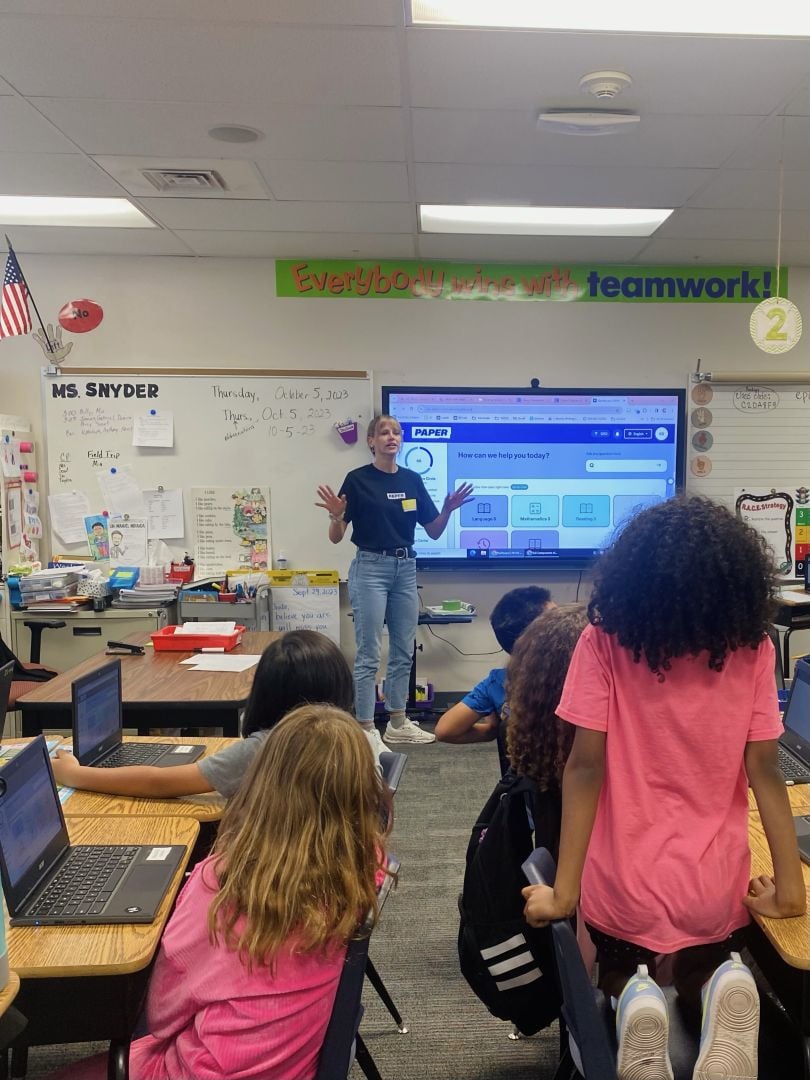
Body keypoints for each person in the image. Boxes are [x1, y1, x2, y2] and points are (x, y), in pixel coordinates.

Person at [521, 496, 806, 1080]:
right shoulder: (752, 648)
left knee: (621, 969)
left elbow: (583, 768)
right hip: (712, 880)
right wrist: (791, 890)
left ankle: (634, 999)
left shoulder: (603, 641)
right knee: (707, 964)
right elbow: (765, 771)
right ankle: (719, 984)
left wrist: (564, 894)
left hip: (623, 878)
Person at [51, 705, 390, 1080]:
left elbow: (160, 1014)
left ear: (262, 779)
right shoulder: (364, 865)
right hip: (297, 1067)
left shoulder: (224, 880)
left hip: (206, 1070)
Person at [51, 629, 379, 798]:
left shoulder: (270, 747)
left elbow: (159, 782)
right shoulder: (357, 739)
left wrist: (76, 775)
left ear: (266, 690)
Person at [316, 413, 472, 749]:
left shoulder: (413, 480)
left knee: (404, 650)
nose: (391, 437)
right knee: (369, 651)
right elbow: (336, 536)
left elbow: (433, 529)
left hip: (405, 569)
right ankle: (365, 727)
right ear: (371, 441)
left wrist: (447, 509)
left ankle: (398, 722)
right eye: (384, 432)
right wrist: (335, 516)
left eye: (397, 432)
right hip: (370, 568)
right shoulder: (357, 480)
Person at [435, 585, 553, 773]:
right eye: (557, 620)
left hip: (528, 791)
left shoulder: (497, 682)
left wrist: (496, 729)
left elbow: (446, 730)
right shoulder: (577, 677)